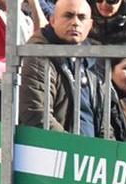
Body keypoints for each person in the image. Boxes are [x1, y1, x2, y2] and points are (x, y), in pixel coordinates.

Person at [19, 0, 104, 133]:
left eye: (82, 17)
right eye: (68, 16)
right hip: (58, 150)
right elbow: (37, 113)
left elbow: (104, 118)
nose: (75, 22)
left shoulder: (93, 60)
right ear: (52, 21)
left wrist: (106, 150)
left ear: (90, 25)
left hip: (92, 152)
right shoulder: (39, 55)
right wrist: (72, 148)